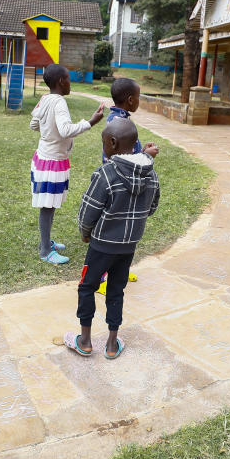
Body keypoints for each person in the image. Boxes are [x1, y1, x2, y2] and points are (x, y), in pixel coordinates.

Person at [64, 118, 160, 359]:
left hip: (101, 246)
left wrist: (86, 234)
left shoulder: (105, 174)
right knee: (116, 290)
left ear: (113, 143)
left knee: (87, 287)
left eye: (104, 142)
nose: (103, 146)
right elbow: (151, 208)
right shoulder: (152, 175)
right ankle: (111, 343)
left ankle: (85, 341)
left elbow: (88, 212)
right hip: (128, 248)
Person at [30, 63, 107, 264]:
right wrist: (90, 122)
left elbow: (33, 124)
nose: (70, 84)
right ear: (61, 82)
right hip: (52, 161)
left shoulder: (44, 99)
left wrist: (48, 134)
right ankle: (45, 251)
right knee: (48, 206)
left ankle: (45, 242)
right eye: (69, 80)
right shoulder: (59, 103)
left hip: (43, 157)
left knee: (49, 204)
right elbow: (65, 130)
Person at [96, 78, 158, 293]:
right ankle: (102, 278)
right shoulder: (118, 122)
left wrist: (142, 153)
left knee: (125, 230)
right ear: (131, 100)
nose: (139, 101)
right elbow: (120, 158)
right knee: (112, 231)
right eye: (139, 98)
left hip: (124, 181)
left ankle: (119, 271)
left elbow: (127, 154)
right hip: (118, 184)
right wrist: (145, 155)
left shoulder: (120, 118)